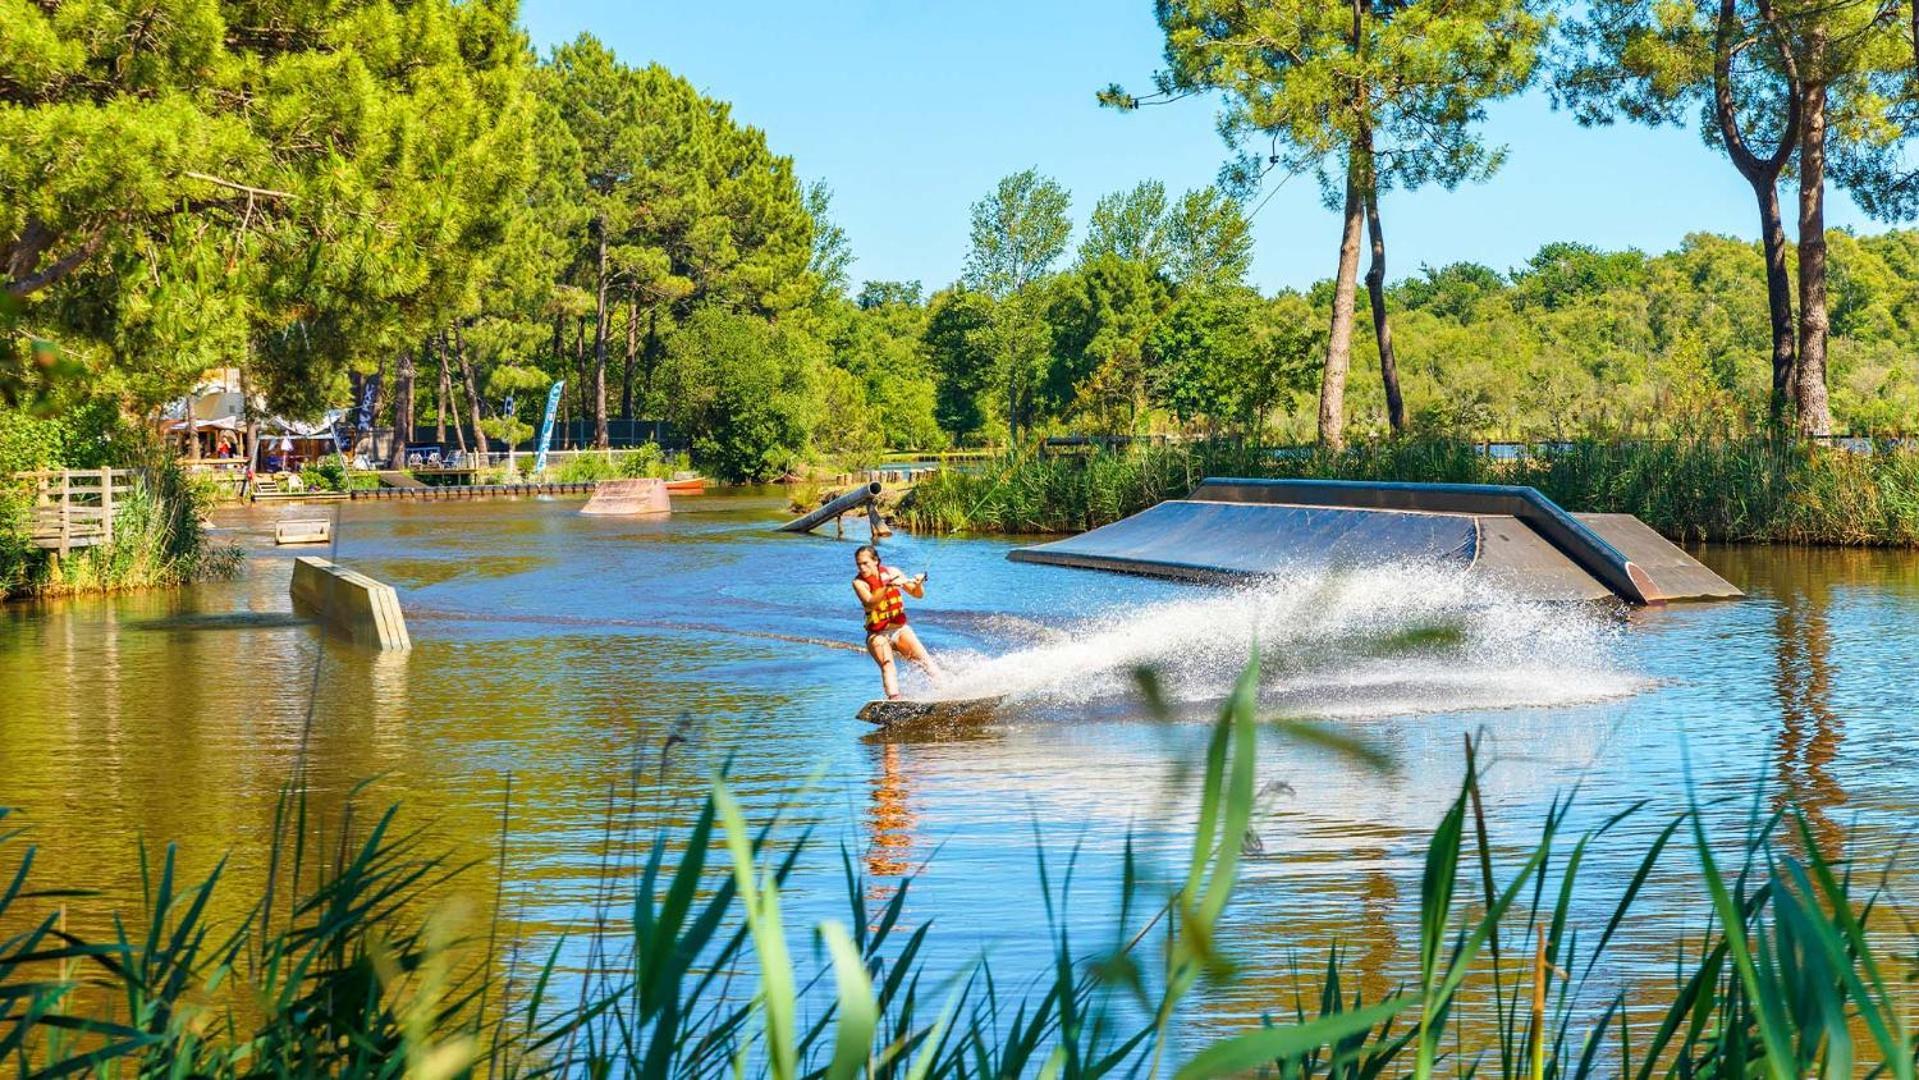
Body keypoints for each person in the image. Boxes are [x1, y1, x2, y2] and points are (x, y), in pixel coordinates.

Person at [852, 545, 943, 700]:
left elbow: (917, 594)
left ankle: (945, 691)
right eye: (858, 564)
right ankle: (894, 699)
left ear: (876, 561)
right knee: (888, 665)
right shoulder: (859, 583)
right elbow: (870, 602)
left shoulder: (893, 572)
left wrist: (919, 583)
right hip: (877, 635)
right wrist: (887, 586)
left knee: (926, 662)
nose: (862, 567)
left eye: (865, 563)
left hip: (900, 630)